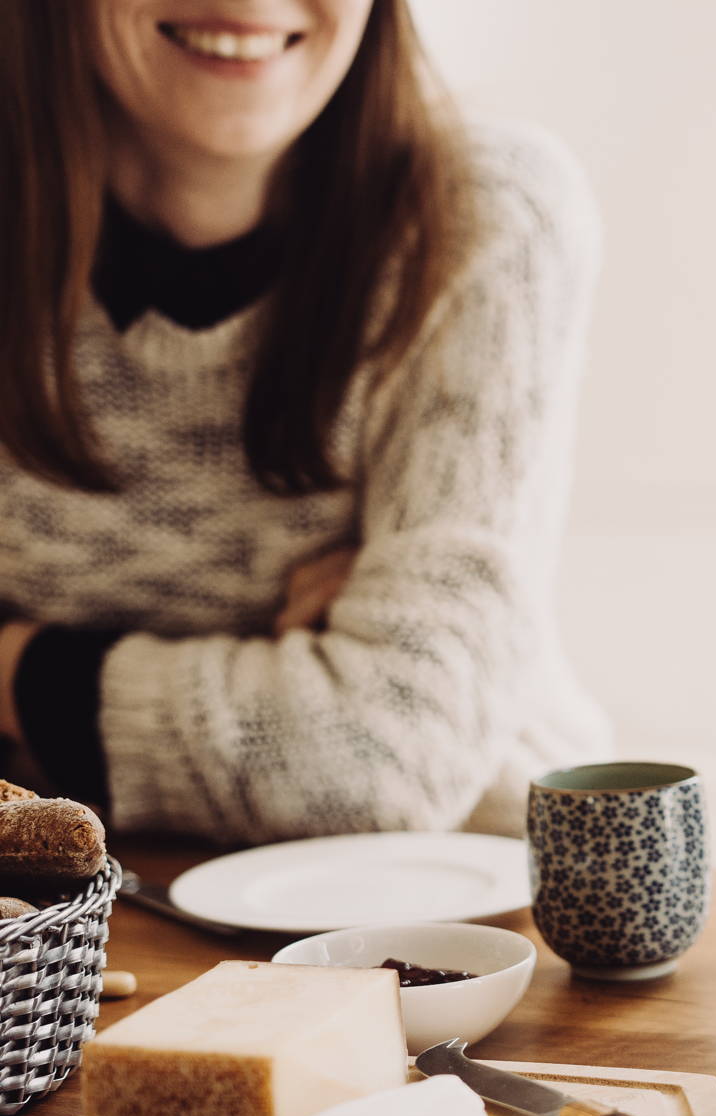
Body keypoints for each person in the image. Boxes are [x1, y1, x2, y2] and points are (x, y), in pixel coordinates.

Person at [0, 0, 608, 841]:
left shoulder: (488, 213)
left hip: (462, 896)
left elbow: (389, 757)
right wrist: (302, 684)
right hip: (73, 911)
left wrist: (14, 674)